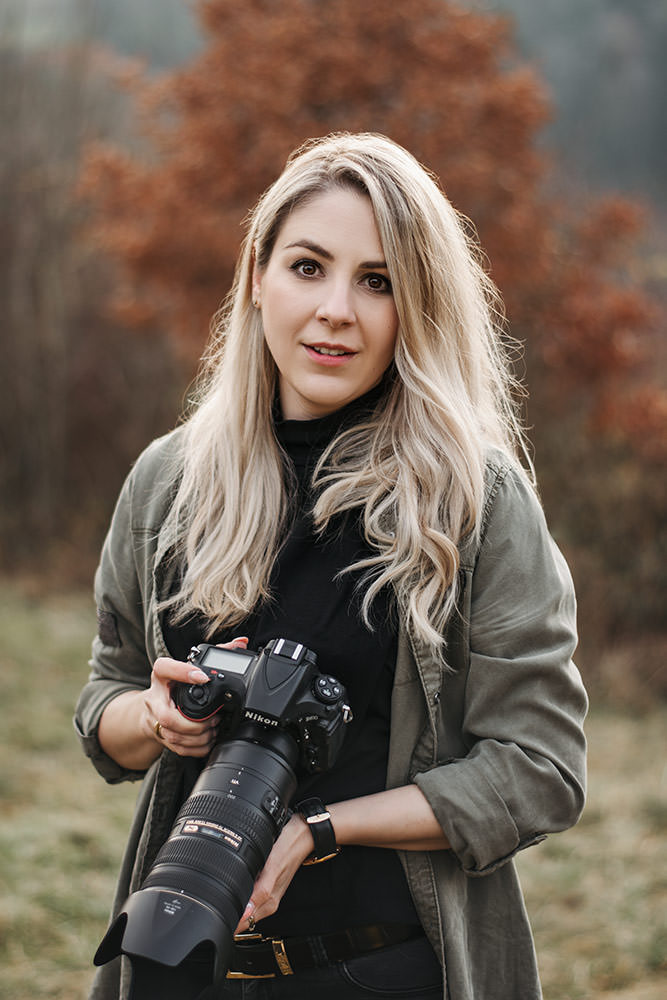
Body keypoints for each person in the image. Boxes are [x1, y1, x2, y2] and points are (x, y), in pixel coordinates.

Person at [75, 132, 588, 1000]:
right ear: (256, 278)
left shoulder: (474, 499)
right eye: (308, 267)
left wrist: (320, 828)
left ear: (415, 307)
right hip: (179, 963)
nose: (336, 310)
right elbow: (103, 704)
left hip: (385, 967)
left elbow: (539, 770)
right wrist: (157, 717)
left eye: (376, 281)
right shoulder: (170, 479)